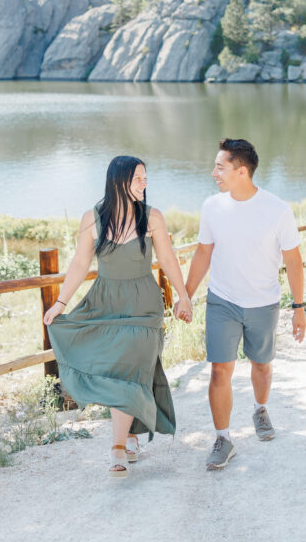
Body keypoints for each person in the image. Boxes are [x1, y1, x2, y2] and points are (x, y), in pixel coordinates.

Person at [44, 155, 191, 479]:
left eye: (145, 178)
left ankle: (118, 447)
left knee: (133, 367)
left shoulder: (152, 217)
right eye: (139, 178)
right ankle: (129, 437)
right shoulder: (92, 219)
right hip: (106, 301)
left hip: (143, 304)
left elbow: (166, 258)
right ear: (119, 182)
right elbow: (80, 265)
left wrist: (183, 296)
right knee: (124, 370)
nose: (145, 184)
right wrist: (60, 304)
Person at [180, 138, 306, 471]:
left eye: (220, 167)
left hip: (264, 303)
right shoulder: (212, 207)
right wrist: (186, 294)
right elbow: (203, 253)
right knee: (220, 370)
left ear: (242, 171)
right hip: (223, 301)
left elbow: (293, 261)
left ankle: (260, 409)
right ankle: (223, 438)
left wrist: (299, 307)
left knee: (261, 365)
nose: (214, 172)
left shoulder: (277, 210)